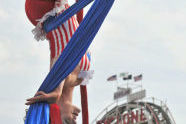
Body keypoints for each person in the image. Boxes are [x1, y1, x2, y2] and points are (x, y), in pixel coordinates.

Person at [25, 0, 93, 123]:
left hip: (48, 10)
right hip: (57, 12)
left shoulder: (68, 77)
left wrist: (56, 93)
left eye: (66, 122)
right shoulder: (77, 79)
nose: (74, 120)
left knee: (62, 66)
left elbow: (62, 69)